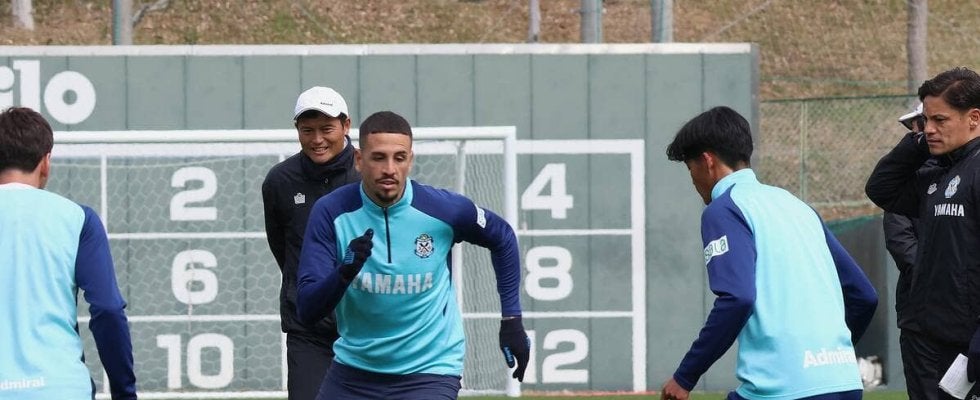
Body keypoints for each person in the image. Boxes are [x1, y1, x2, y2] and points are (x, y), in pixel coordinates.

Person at [295, 110, 530, 399]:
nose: (389, 169)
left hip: (429, 371)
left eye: (399, 158)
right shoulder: (331, 212)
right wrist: (343, 273)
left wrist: (512, 320)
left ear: (410, 160)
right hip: (353, 371)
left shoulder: (444, 209)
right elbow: (307, 310)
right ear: (359, 160)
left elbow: (503, 237)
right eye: (378, 157)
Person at [661, 106, 878, 400]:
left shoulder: (724, 209)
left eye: (690, 169)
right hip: (843, 381)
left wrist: (685, 376)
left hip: (783, 388)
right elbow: (864, 295)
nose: (693, 181)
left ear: (707, 161)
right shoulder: (797, 206)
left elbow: (737, 298)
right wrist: (827, 357)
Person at [0, 107, 136, 399]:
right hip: (61, 388)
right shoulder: (78, 219)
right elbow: (108, 310)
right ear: (45, 162)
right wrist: (125, 393)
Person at [866, 66, 980, 398]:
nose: (929, 129)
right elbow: (881, 189)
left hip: (969, 340)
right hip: (928, 337)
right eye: (926, 120)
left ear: (974, 118)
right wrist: (918, 143)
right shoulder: (937, 171)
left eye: (939, 120)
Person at [262, 86, 361, 400]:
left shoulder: (370, 175)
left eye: (326, 129)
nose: (317, 139)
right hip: (308, 329)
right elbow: (283, 247)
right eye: (307, 130)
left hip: (367, 324)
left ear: (346, 125)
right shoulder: (280, 181)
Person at [883, 102, 939, 400]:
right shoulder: (907, 184)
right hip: (920, 316)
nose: (923, 133)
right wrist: (942, 280)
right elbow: (902, 243)